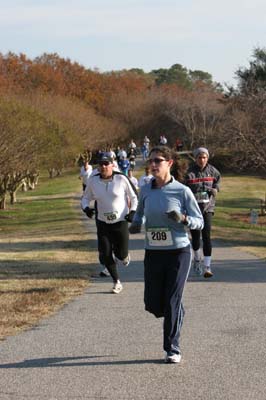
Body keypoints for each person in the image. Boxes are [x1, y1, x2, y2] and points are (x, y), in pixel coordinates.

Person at [129, 145, 203, 363]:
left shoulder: (182, 191)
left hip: (178, 252)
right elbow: (140, 214)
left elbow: (198, 222)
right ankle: (175, 310)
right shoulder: (146, 190)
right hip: (153, 252)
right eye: (150, 161)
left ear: (169, 163)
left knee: (171, 300)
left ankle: (172, 348)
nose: (152, 165)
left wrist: (183, 219)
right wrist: (135, 223)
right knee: (152, 303)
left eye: (157, 161)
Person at [81, 153, 138, 294]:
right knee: (105, 253)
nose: (103, 166)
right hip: (103, 222)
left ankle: (124, 256)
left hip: (120, 221)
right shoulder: (93, 181)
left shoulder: (121, 179)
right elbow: (85, 198)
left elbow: (134, 197)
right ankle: (116, 281)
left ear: (112, 165)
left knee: (120, 253)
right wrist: (86, 209)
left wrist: (132, 212)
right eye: (101, 164)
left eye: (106, 164)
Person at [184, 147, 221, 278]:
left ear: (207, 158)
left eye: (204, 157)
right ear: (195, 158)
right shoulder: (189, 172)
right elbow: (183, 190)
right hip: (193, 210)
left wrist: (216, 189)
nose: (202, 160)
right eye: (199, 157)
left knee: (206, 236)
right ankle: (197, 259)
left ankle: (207, 266)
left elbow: (218, 182)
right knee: (195, 237)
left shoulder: (213, 170)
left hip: (208, 208)